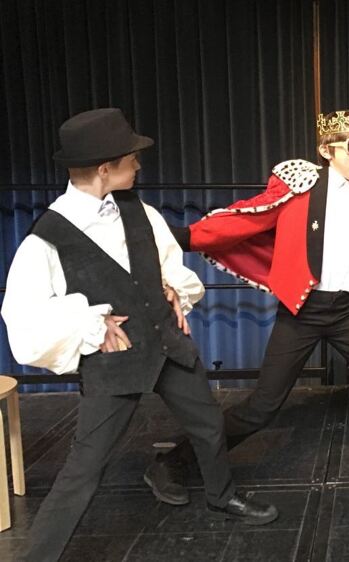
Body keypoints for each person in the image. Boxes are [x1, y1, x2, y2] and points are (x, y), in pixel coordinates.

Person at [147, 109, 349, 501]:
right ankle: (175, 461)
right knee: (263, 406)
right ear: (326, 150)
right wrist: (185, 237)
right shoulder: (299, 189)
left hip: (346, 313)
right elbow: (245, 220)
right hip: (301, 312)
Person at [1, 108, 278, 562]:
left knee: (208, 423)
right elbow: (24, 316)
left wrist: (172, 289)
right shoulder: (46, 237)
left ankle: (221, 495)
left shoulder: (139, 210)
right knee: (85, 467)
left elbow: (167, 262)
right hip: (115, 360)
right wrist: (88, 323)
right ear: (104, 168)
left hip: (166, 343)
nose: (138, 164)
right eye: (131, 157)